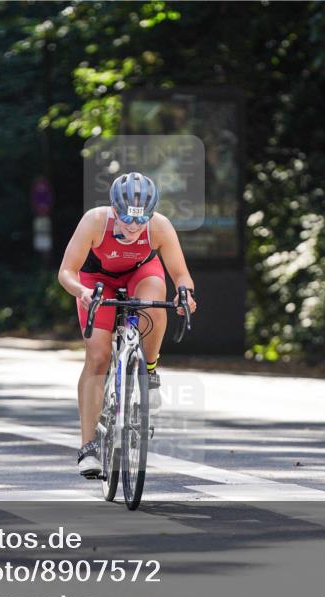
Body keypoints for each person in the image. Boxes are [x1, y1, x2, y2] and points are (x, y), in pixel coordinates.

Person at [58, 172, 197, 477]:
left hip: (140, 272)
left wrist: (185, 294)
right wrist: (81, 292)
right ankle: (88, 447)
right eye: (126, 218)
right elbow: (66, 271)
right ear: (114, 210)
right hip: (96, 281)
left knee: (153, 306)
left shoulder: (159, 227)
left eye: (141, 219)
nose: (134, 226)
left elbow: (181, 274)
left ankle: (148, 371)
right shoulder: (95, 222)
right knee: (98, 357)